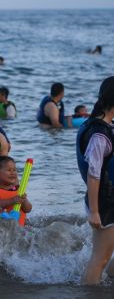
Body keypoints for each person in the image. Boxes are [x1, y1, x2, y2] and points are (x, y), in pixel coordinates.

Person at [76, 76, 114, 285]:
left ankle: (108, 281)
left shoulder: (99, 124)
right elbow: (94, 173)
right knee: (100, 258)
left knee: (105, 256)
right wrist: (95, 211)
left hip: (107, 197)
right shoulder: (99, 135)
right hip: (105, 202)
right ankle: (89, 293)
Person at [0, 156, 32, 225]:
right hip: (0, 227)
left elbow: (28, 209)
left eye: (14, 170)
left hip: (20, 228)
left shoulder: (18, 189)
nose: (12, 173)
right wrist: (13, 200)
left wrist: (23, 200)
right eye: (9, 170)